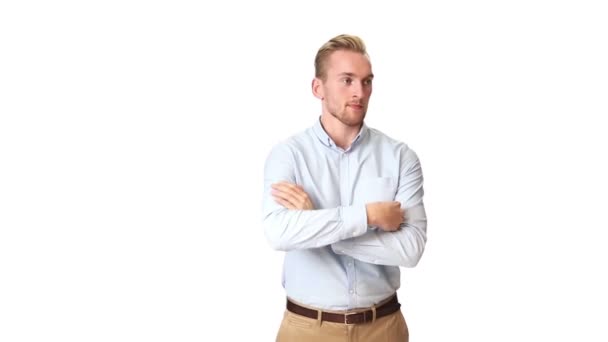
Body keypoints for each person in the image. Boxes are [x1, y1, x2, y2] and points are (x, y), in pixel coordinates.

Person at [262, 33, 427, 342]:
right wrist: (369, 217)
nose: (359, 92)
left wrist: (319, 228)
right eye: (347, 80)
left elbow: (411, 249)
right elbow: (278, 233)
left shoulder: (400, 156)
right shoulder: (288, 155)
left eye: (366, 81)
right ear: (318, 88)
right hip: (308, 330)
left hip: (384, 328)